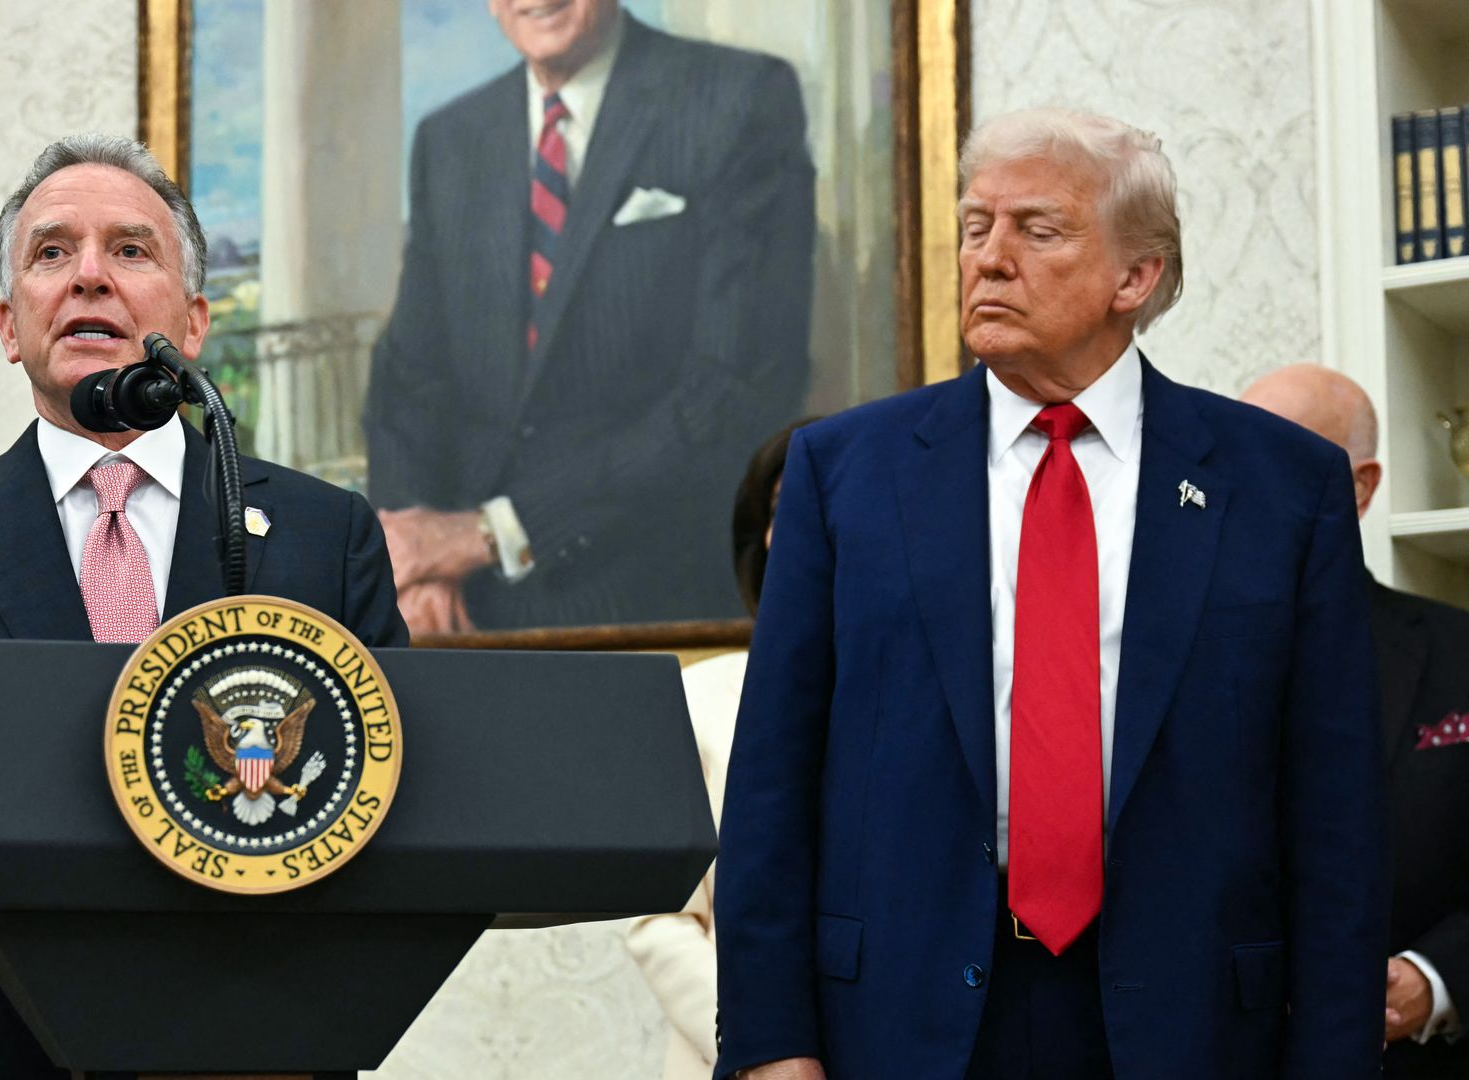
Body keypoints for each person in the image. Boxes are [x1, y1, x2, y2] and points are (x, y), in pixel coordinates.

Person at [713, 108, 1386, 1079]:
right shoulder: (844, 473)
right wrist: (773, 1052)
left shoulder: (1281, 486)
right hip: (903, 1025)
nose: (989, 258)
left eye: (1037, 229)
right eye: (976, 225)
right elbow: (772, 788)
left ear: (1135, 277)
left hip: (1193, 1027)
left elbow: (1336, 823)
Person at [0, 134, 406, 1079]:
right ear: (12, 326)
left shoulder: (324, 535)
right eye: (52, 252)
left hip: (260, 1040)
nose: (89, 275)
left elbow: (394, 802)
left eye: (131, 250)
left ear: (196, 321)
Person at [363, 0, 815, 633]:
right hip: (456, 607)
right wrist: (413, 560)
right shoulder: (451, 137)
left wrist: (492, 533)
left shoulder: (739, 99)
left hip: (651, 601)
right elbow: (409, 377)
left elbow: (733, 389)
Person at [1241, 363, 1469, 1078]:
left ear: (1360, 488)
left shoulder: (1460, 652)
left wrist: (1434, 979)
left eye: (1282, 457)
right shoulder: (1153, 661)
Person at [626, 417, 813, 1080]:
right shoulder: (700, 699)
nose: (791, 533)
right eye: (783, 511)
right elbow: (659, 919)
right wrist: (761, 1046)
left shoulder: (942, 699)